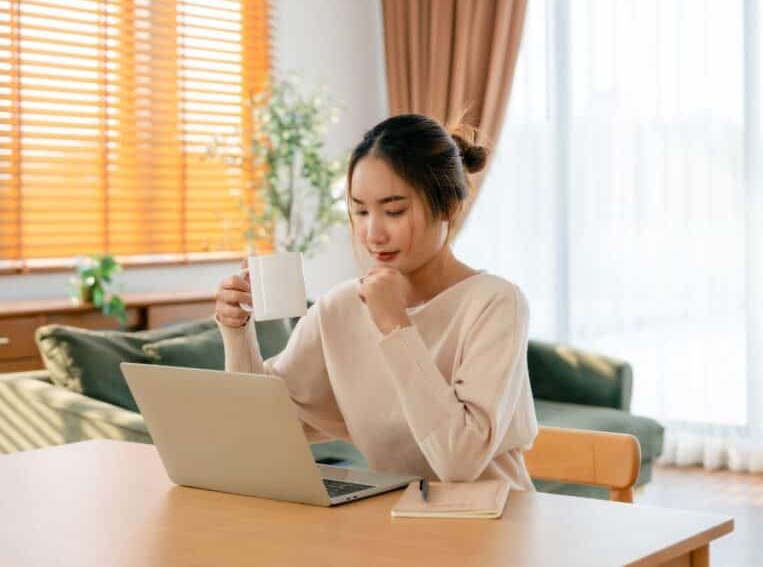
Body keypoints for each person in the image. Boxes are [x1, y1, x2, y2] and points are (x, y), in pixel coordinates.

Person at [213, 114, 538, 490]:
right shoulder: (341, 307)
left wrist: (395, 327)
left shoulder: (496, 303)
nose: (373, 233)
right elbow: (260, 429)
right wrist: (237, 331)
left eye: (394, 211)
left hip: (497, 528)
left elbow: (458, 460)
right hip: (391, 527)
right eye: (361, 211)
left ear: (448, 205)